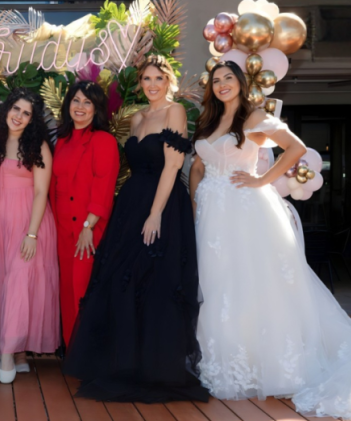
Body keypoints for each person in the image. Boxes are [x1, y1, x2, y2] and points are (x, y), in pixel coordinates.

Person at [190, 60, 351, 420]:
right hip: (212, 217)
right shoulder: (208, 122)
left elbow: (294, 149)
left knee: (254, 285)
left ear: (242, 83)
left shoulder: (254, 118)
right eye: (216, 80)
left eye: (229, 78)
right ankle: (226, 361)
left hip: (245, 211)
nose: (222, 84)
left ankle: (265, 365)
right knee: (218, 286)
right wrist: (195, 203)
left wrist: (261, 180)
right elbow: (198, 168)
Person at [63, 55, 209, 403]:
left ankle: (157, 367)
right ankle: (125, 362)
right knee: (123, 280)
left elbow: (173, 166)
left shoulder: (175, 111)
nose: (151, 84)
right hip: (131, 205)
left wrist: (156, 213)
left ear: (168, 80)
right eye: (146, 78)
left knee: (156, 281)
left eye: (158, 78)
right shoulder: (136, 117)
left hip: (161, 206)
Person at [0, 88, 59, 384]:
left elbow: (41, 191)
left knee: (18, 280)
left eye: (26, 113)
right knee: (2, 282)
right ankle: (19, 353)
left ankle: (6, 354)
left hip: (30, 221)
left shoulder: (37, 145)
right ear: (6, 110)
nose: (19, 116)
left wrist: (31, 233)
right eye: (16, 109)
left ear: (32, 119)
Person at [50, 81, 120, 347]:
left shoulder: (104, 141)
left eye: (87, 102)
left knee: (84, 292)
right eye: (76, 100)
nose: (80, 107)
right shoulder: (63, 141)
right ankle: (72, 353)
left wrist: (88, 227)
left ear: (96, 109)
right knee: (67, 293)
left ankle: (89, 356)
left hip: (87, 230)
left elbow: (104, 186)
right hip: (62, 230)